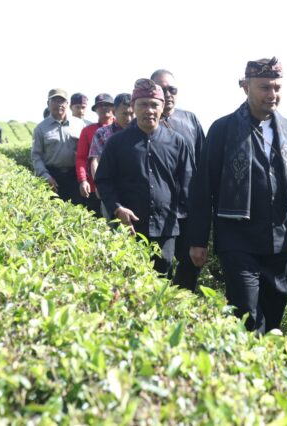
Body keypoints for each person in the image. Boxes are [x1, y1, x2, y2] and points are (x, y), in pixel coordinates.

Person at [188, 57, 287, 333]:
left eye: (277, 88)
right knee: (245, 311)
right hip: (236, 236)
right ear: (245, 87)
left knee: (274, 311)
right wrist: (197, 239)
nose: (272, 95)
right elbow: (203, 185)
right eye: (265, 88)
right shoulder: (222, 129)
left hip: (279, 236)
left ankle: (268, 368)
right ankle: (245, 368)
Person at [95, 79, 194, 277]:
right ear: (133, 107)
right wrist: (117, 208)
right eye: (143, 104)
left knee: (162, 280)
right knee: (128, 280)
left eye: (154, 104)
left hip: (165, 229)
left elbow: (188, 186)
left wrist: (189, 227)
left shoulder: (177, 142)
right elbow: (103, 180)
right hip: (129, 227)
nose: (149, 110)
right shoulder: (117, 143)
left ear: (162, 107)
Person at [151, 69, 206, 292]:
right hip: (159, 207)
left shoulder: (190, 119)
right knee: (160, 265)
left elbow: (203, 159)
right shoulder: (145, 123)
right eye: (162, 89)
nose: (168, 94)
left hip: (189, 206)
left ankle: (180, 305)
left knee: (192, 261)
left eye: (172, 89)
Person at [31, 88, 86, 205]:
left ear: (67, 104)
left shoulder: (79, 124)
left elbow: (85, 152)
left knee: (78, 212)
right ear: (48, 104)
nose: (59, 104)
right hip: (53, 177)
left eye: (62, 101)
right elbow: (36, 156)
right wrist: (45, 175)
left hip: (75, 176)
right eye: (54, 101)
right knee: (55, 213)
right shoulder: (41, 128)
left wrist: (83, 178)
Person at [76, 93, 114, 217]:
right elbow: (81, 157)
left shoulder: (123, 127)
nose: (104, 108)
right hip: (95, 186)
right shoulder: (87, 131)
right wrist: (83, 180)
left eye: (107, 105)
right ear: (95, 110)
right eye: (100, 106)